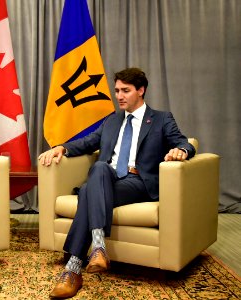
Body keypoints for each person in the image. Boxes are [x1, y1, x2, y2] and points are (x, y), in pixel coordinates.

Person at [38, 68, 196, 299]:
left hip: (137, 181)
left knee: (88, 191)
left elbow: (183, 142)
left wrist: (181, 150)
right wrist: (61, 147)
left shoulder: (162, 119)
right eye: (117, 91)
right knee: (100, 168)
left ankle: (73, 268)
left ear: (141, 91)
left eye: (125, 91)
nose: (119, 96)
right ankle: (98, 248)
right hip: (107, 177)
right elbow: (87, 142)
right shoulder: (112, 121)